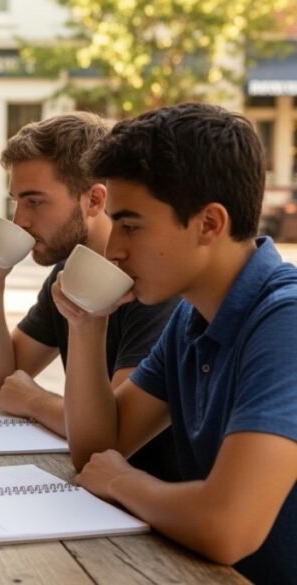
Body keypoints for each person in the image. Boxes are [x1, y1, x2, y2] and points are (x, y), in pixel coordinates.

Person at [52, 103, 297, 583]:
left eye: (131, 225)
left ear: (209, 224)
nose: (113, 248)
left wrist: (124, 482)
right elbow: (99, 449)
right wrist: (87, 323)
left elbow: (228, 526)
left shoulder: (284, 321)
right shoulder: (192, 315)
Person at [0, 112, 180, 481]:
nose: (20, 221)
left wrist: (35, 401)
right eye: (16, 202)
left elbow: (107, 434)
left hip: (149, 508)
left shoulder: (151, 287)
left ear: (95, 200)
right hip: (101, 492)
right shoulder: (69, 276)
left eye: (34, 202)